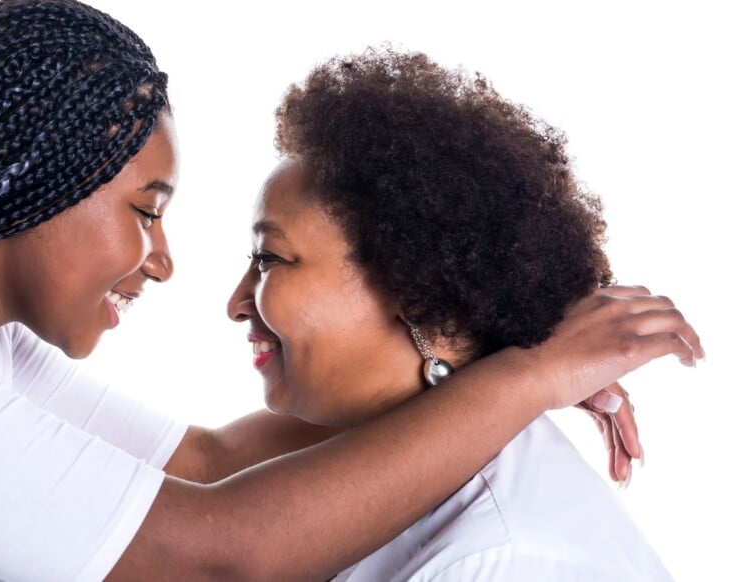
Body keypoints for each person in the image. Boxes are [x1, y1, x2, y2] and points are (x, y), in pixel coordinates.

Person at [0, 1, 700, 580]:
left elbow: (203, 461)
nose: (165, 262)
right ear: (37, 180)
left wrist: (497, 356)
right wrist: (524, 378)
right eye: (146, 209)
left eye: (272, 259)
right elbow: (214, 555)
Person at [227, 49, 675, 580]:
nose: (236, 304)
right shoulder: (367, 466)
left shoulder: (500, 558)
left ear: (419, 293)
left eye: (270, 260)